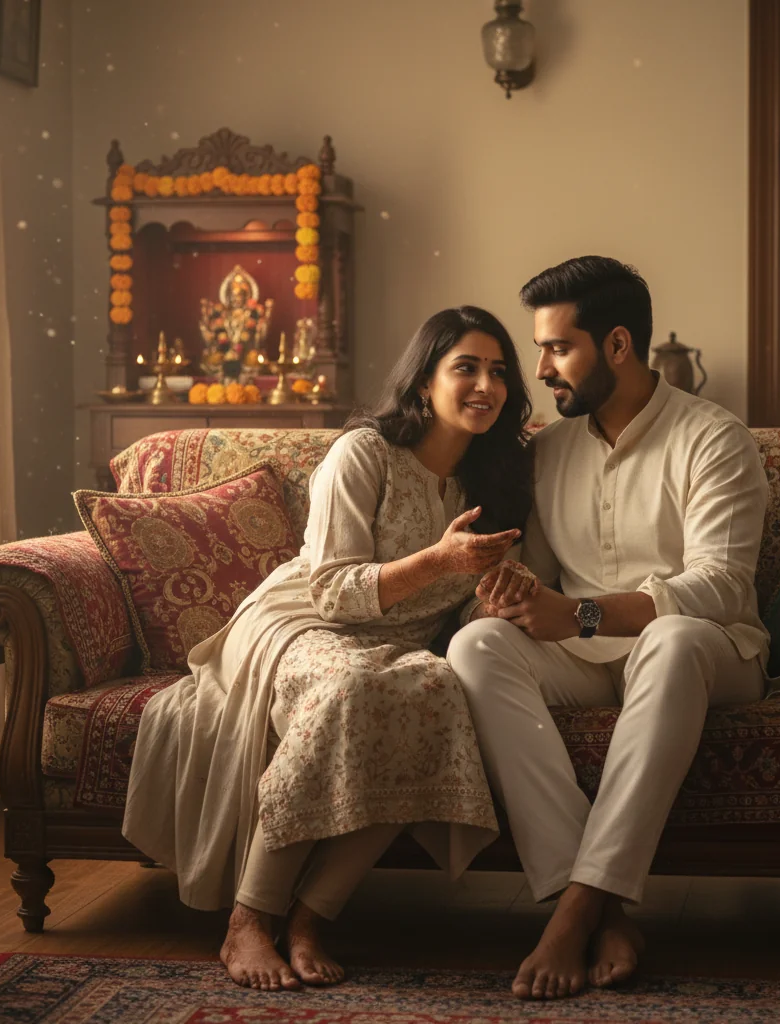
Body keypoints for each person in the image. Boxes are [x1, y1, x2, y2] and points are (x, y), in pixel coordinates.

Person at [123, 305, 534, 992]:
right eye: (465, 367)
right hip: (304, 621)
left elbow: (460, 599)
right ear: (424, 378)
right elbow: (336, 589)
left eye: (499, 372)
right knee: (354, 691)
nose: (484, 386)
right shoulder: (363, 452)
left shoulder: (495, 478)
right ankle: (249, 918)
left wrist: (490, 596)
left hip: (399, 641)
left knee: (435, 694)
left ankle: (313, 915)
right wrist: (439, 562)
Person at [447, 256, 780, 1001]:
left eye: (557, 348)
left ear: (616, 346)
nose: (540, 368)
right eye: (539, 349)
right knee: (475, 646)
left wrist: (578, 613)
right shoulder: (545, 451)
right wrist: (507, 596)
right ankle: (600, 908)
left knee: (671, 642)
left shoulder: (713, 437)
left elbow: (723, 587)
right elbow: (536, 580)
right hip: (585, 654)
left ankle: (574, 909)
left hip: (710, 652)